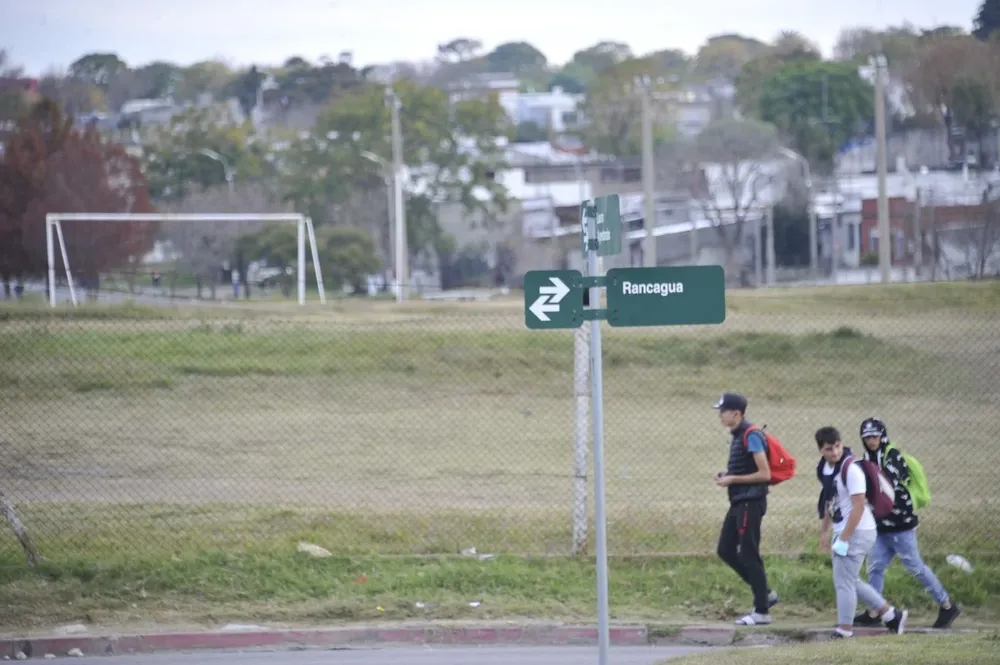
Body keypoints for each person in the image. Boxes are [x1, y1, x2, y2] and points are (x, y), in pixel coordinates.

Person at [853, 417, 961, 629]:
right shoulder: (867, 457)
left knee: (915, 567)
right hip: (881, 525)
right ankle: (875, 611)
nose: (871, 441)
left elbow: (886, 483)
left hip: (900, 524)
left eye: (874, 436)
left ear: (882, 436)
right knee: (875, 567)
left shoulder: (893, 456)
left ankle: (947, 606)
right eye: (867, 437)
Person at [815, 426, 908, 638]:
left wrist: (844, 539)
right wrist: (824, 534)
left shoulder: (851, 470)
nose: (835, 452)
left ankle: (844, 629)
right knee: (851, 580)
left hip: (858, 531)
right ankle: (892, 616)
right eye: (829, 449)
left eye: (837, 446)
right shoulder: (826, 470)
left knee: (843, 582)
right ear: (821, 450)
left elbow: (858, 507)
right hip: (845, 531)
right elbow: (829, 502)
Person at [712, 392, 778, 626]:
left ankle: (762, 611)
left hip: (751, 502)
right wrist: (727, 474)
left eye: (723, 411)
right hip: (740, 501)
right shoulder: (739, 435)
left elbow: (764, 474)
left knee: (749, 553)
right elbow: (745, 468)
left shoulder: (751, 436)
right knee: (725, 549)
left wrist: (732, 479)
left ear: (736, 413)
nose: (720, 415)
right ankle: (766, 594)